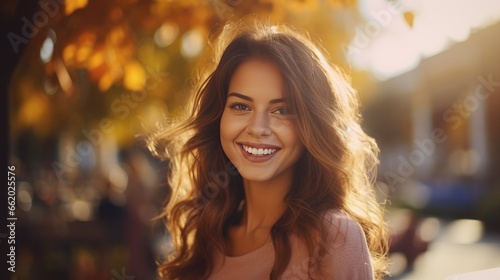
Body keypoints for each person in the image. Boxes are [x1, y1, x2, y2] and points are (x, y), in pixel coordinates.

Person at [149, 18, 388, 280]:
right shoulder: (207, 235)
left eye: (282, 110)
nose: (258, 128)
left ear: (312, 126)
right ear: (219, 117)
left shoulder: (334, 238)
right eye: (241, 106)